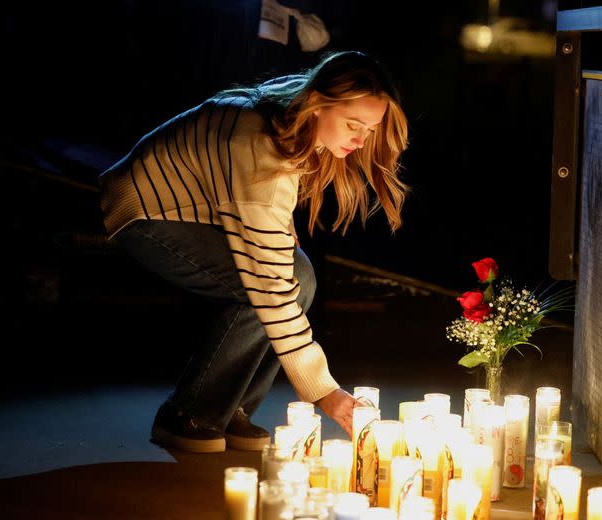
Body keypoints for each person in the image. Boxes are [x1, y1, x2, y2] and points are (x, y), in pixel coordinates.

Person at [98, 50, 409, 453]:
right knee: (268, 285)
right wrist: (326, 393)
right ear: (318, 105)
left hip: (196, 210)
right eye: (353, 124)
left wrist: (275, 233)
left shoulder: (291, 112)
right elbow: (269, 286)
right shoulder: (262, 147)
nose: (361, 139)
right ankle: (188, 414)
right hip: (145, 210)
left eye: (369, 129)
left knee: (300, 274)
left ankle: (228, 408)